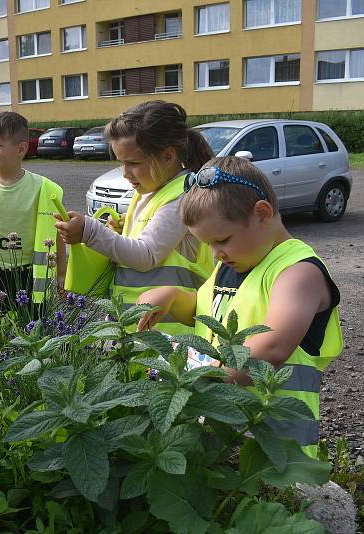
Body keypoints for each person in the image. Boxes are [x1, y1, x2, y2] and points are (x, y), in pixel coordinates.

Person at [136, 156, 342, 457]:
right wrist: (171, 298)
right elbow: (208, 312)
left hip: (276, 442)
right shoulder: (233, 262)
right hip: (224, 426)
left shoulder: (298, 273)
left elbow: (273, 347)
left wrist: (196, 379)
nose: (215, 253)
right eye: (207, 244)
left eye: (222, 239)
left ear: (262, 213)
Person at [55, 101, 214, 334]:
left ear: (168, 156)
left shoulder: (182, 196)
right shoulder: (148, 193)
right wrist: (119, 231)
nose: (125, 172)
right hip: (142, 330)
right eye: (121, 163)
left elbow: (146, 254)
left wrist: (90, 232)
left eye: (133, 163)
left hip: (173, 338)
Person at [0, 111, 66, 304]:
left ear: (21, 149)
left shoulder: (43, 189)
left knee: (32, 328)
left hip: (28, 275)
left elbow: (57, 236)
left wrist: (61, 275)